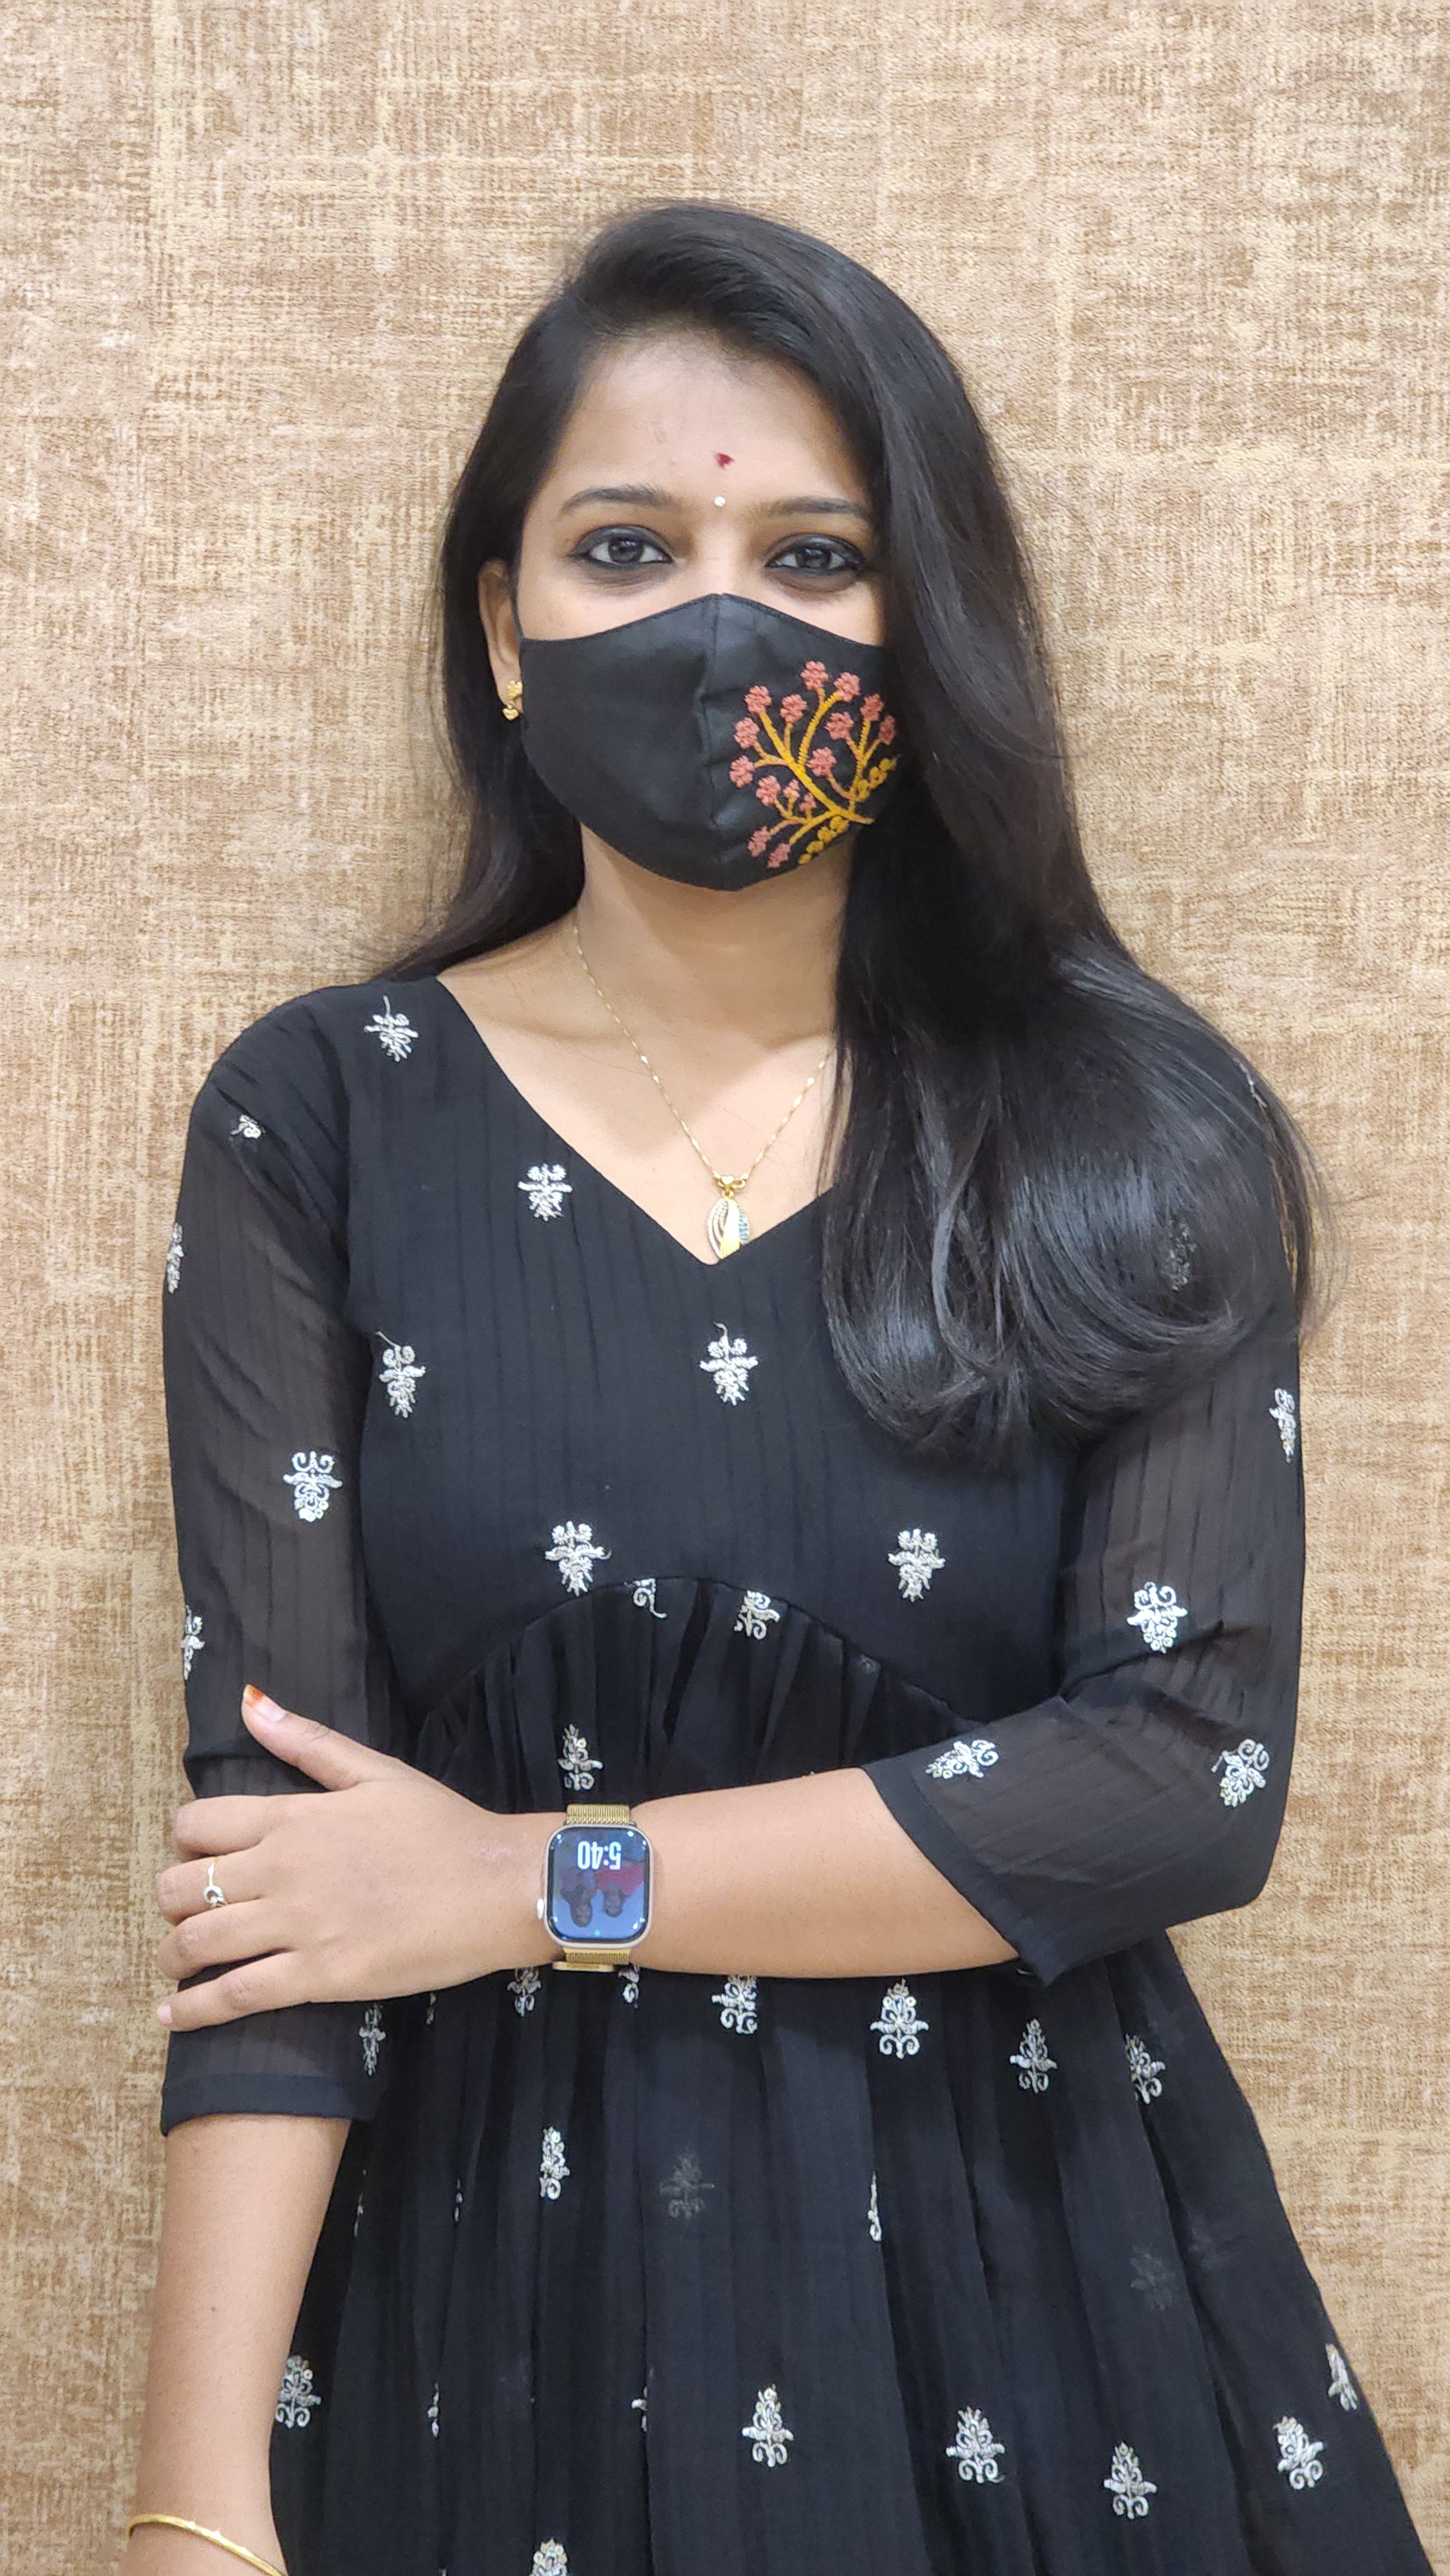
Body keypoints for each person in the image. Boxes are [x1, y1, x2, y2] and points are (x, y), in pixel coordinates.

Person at [124, 203, 1433, 2576]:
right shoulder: (324, 1118)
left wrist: (532, 1881)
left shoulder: (1132, 1131)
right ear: (500, 627)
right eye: (626, 548)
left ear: (923, 632)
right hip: (490, 2332)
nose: (719, 625)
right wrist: (196, 2514)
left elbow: (1181, 1781)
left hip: (1037, 2321)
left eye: (812, 557)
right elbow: (276, 1863)